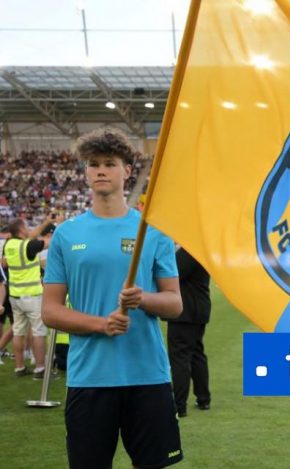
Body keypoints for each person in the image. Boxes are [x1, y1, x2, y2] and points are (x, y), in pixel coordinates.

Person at [41, 127, 184, 469]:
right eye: (93, 164)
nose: (100, 170)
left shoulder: (152, 230)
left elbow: (174, 304)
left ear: (127, 170)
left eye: (109, 163)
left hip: (148, 375)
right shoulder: (66, 234)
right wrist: (101, 324)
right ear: (85, 171)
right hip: (89, 378)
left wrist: (143, 299)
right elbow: (50, 311)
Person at [1, 217, 54, 378]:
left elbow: (31, 236)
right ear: (21, 230)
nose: (28, 230)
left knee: (18, 332)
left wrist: (45, 223)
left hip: (15, 295)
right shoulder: (28, 246)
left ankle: (20, 368)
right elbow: (48, 242)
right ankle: (40, 369)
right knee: (39, 332)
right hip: (32, 295)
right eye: (26, 227)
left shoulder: (9, 244)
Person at [166, 248, 212, 418]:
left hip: (186, 312)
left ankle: (179, 405)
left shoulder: (189, 251)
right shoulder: (199, 251)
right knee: (196, 353)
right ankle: (203, 398)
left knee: (180, 356)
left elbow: (171, 273)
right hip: (198, 308)